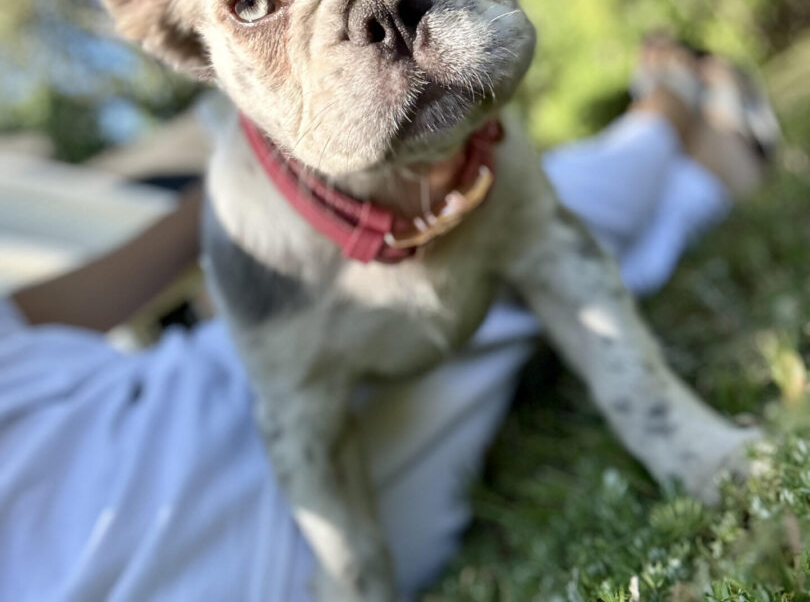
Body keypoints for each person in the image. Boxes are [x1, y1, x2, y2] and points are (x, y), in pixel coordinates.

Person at [0, 37, 779, 602]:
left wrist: (254, 182)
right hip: (239, 518)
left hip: (202, 385)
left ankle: (707, 158)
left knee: (505, 241)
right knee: (525, 247)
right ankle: (668, 121)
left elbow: (60, 309)